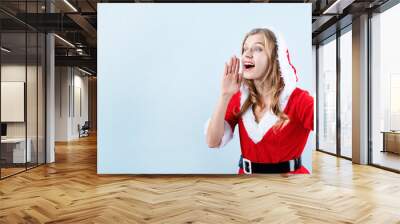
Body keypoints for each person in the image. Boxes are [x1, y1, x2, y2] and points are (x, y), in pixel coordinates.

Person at [205, 28, 314, 174]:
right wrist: (225, 95)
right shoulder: (239, 98)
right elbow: (213, 141)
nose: (247, 54)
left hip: (290, 188)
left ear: (276, 57)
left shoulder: (299, 100)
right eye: (245, 49)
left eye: (257, 49)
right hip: (247, 187)